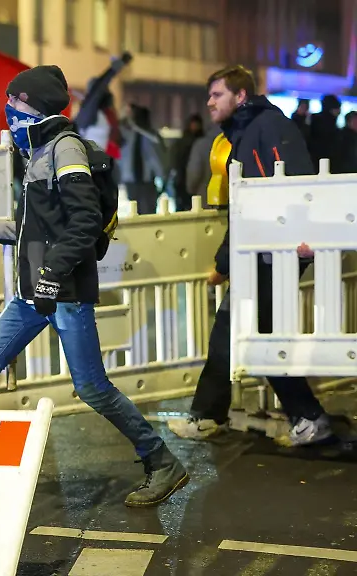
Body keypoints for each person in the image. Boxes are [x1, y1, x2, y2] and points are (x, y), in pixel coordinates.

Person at [0, 65, 189, 508]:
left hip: (62, 292)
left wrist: (52, 272)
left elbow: (84, 219)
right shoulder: (38, 150)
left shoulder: (64, 149)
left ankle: (163, 462)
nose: (9, 108)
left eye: (16, 101)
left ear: (36, 105)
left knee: (92, 388)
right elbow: (42, 225)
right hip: (34, 294)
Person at [167, 65, 332, 447]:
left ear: (240, 96)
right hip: (264, 248)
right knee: (239, 330)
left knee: (248, 333)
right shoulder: (247, 130)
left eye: (217, 95)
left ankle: (307, 416)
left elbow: (283, 190)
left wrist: (229, 261)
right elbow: (249, 204)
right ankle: (212, 415)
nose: (209, 102)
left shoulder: (267, 127)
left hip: (275, 249)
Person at [120, 104, 168, 214]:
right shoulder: (127, 135)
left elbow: (158, 158)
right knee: (132, 215)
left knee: (147, 215)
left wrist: (163, 178)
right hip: (131, 181)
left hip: (146, 182)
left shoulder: (151, 136)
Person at [169, 114, 205, 211]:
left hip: (194, 182)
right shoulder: (182, 142)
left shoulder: (201, 142)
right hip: (182, 180)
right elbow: (174, 160)